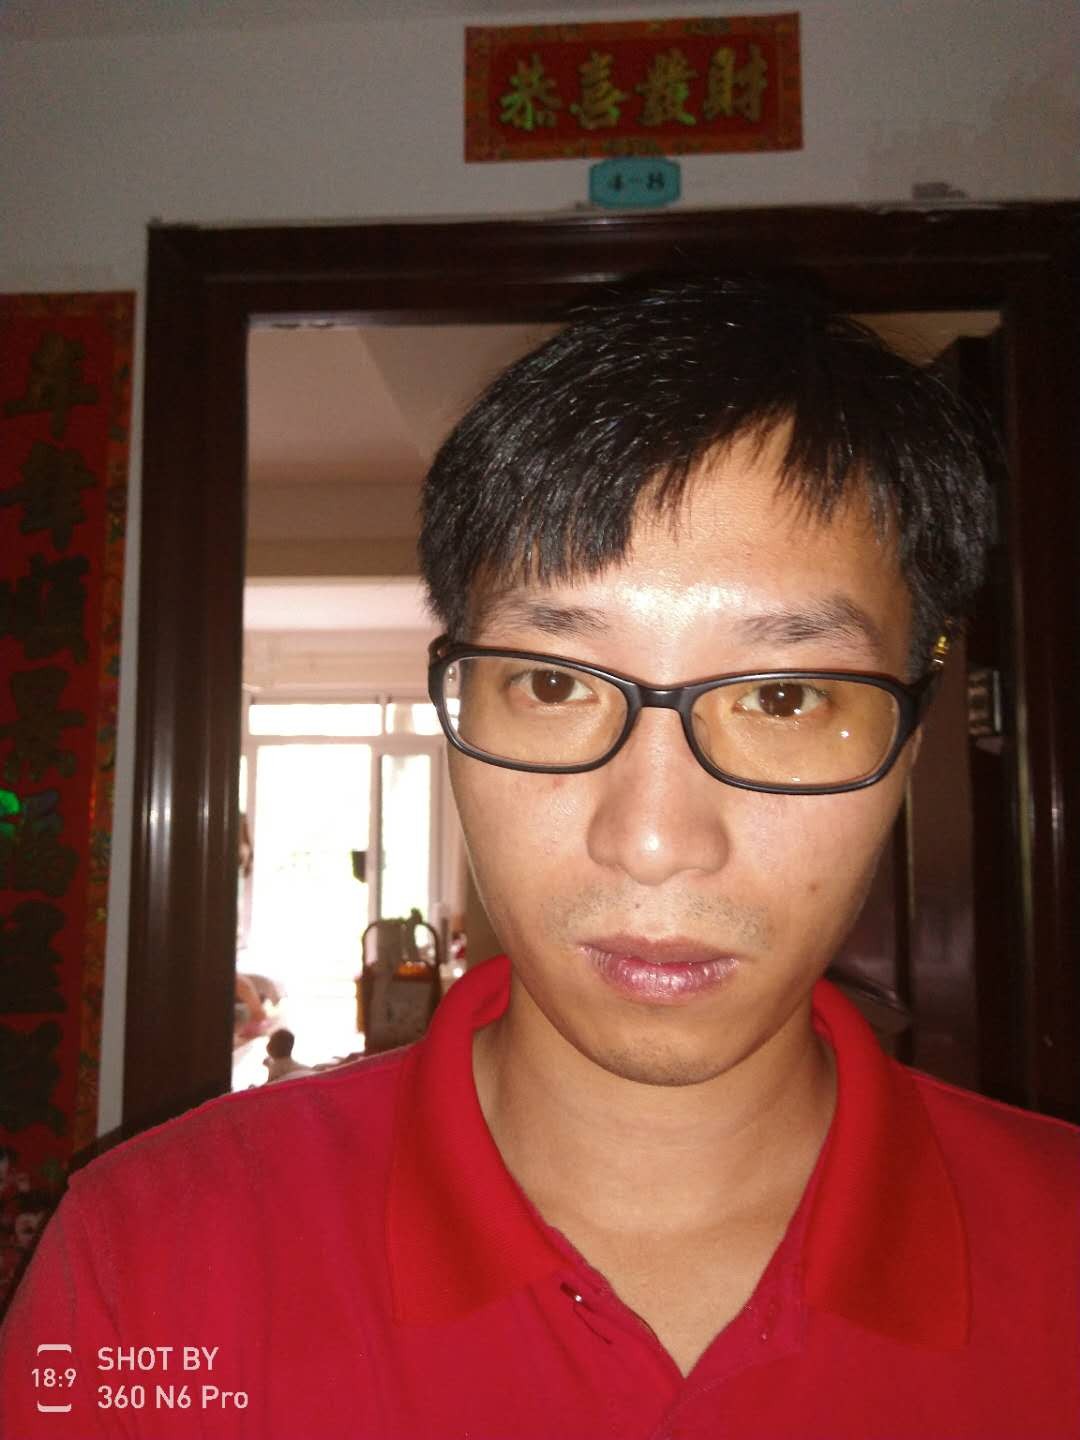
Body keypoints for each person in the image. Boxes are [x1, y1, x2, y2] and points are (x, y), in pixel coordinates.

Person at [1, 276, 1076, 1438]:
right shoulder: (148, 1260)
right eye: (555, 683)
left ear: (908, 744)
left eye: (781, 695)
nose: (654, 842)